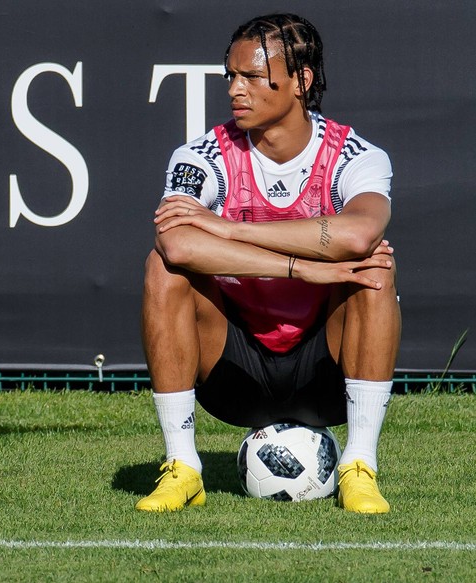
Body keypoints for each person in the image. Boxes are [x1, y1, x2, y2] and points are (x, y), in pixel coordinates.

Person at [136, 13, 400, 514]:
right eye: (231, 76)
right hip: (233, 367)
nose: (237, 89)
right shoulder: (200, 156)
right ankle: (182, 468)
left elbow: (361, 232)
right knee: (161, 267)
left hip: (324, 371)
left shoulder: (357, 155)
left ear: (301, 81)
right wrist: (304, 267)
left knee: (373, 269)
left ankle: (360, 468)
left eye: (253, 77)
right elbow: (177, 244)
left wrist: (230, 227)